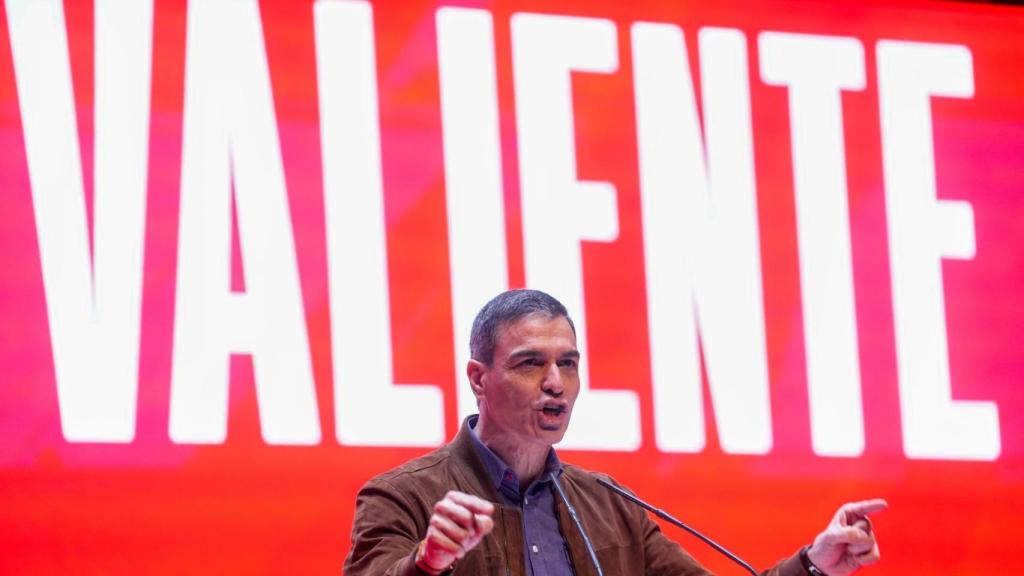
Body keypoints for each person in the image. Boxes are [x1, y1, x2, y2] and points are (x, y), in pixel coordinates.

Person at [344, 289, 886, 576]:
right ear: (478, 378)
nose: (556, 383)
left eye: (569, 363)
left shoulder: (609, 503)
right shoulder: (403, 496)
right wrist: (428, 563)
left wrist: (816, 563)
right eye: (530, 363)